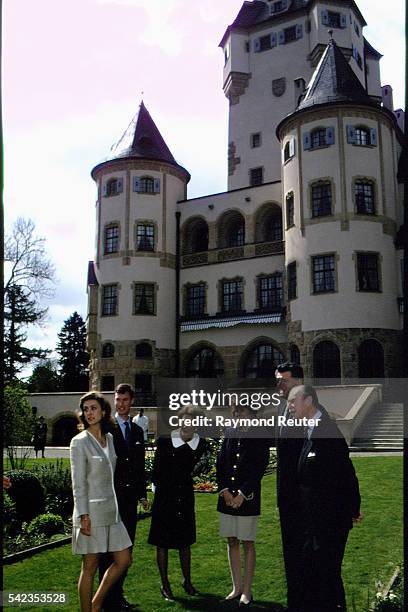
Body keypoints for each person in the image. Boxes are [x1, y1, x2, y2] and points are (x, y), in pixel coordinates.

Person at [287, 385, 362, 612]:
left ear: (308, 401)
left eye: (293, 401)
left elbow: (346, 474)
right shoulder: (309, 430)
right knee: (314, 574)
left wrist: (352, 508)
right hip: (313, 522)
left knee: (328, 575)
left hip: (329, 521)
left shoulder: (327, 432)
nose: (289, 406)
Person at [70, 392, 132, 612]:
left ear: (104, 411)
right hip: (91, 514)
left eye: (93, 408)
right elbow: (78, 484)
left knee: (124, 559)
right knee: (90, 566)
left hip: (112, 512)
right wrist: (83, 515)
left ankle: (96, 603)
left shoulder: (111, 439)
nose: (89, 413)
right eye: (85, 409)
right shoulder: (79, 442)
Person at [148, 405, 206, 601]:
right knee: (162, 542)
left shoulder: (201, 444)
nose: (188, 424)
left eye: (193, 420)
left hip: (185, 497)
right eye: (185, 419)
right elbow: (156, 472)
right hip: (165, 497)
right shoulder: (165, 441)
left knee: (185, 541)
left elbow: (195, 469)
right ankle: (165, 585)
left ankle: (187, 581)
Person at [99, 383, 149, 612]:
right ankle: (104, 599)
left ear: (131, 402)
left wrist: (142, 494)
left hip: (129, 501)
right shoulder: (105, 428)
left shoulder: (138, 432)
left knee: (126, 550)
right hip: (110, 498)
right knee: (107, 551)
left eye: (125, 400)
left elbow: (139, 467)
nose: (121, 404)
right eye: (117, 400)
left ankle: (118, 596)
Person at [216, 404, 270, 607]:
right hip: (227, 497)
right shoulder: (230, 431)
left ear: (252, 413)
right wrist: (225, 491)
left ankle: (247, 590)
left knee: (247, 542)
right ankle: (236, 587)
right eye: (236, 412)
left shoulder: (260, 433)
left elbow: (259, 467)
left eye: (243, 411)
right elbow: (220, 463)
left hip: (248, 498)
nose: (238, 415)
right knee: (231, 541)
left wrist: (242, 494)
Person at [275, 361, 305, 612]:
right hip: (286, 498)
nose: (279, 385)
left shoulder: (309, 414)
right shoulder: (282, 410)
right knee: (291, 555)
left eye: (283, 380)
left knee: (307, 558)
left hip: (303, 499)